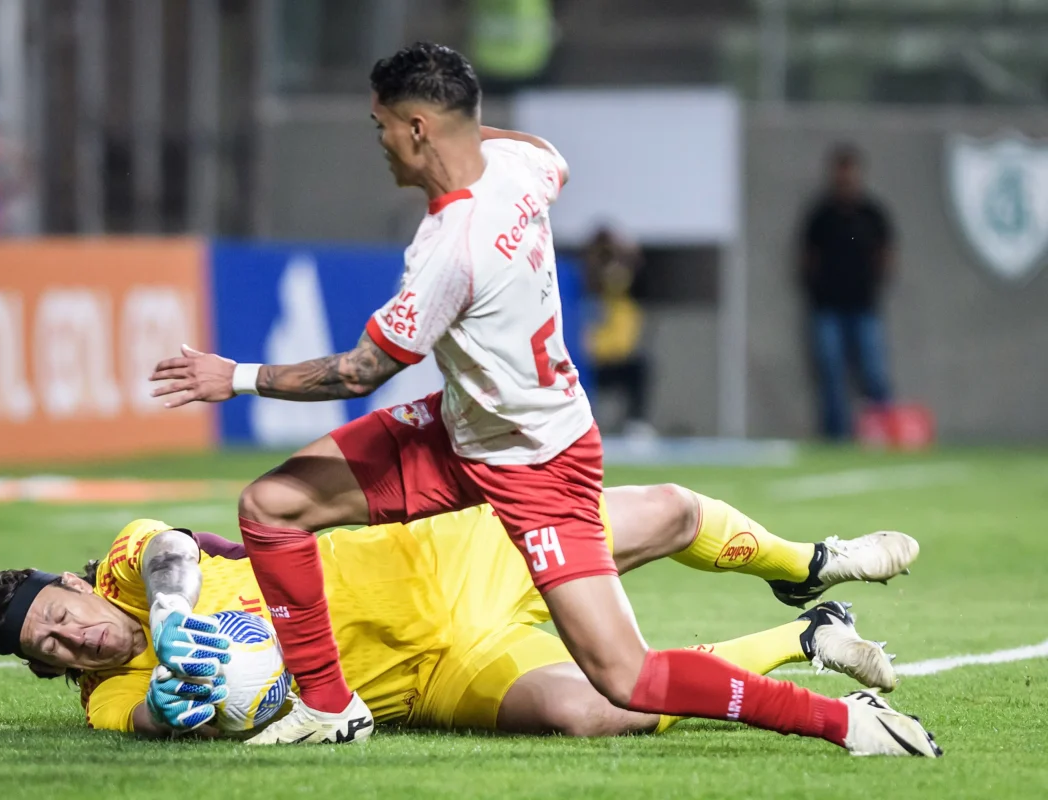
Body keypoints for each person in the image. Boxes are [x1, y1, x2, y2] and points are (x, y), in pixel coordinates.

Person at [147, 43, 930, 755]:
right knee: (272, 505)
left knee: (624, 679)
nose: (378, 139)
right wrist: (472, 133)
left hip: (536, 465)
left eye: (381, 125)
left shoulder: (448, 249)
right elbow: (547, 157)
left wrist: (237, 377)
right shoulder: (520, 170)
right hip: (465, 429)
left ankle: (846, 722)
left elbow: (357, 374)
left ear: (419, 128)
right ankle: (329, 705)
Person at [0, 484, 920, 745]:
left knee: (669, 514)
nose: (73, 637)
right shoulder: (108, 698)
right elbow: (142, 718)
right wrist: (176, 713)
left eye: (61, 610)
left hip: (445, 554)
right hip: (431, 677)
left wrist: (178, 620)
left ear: (80, 581)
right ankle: (807, 635)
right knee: (600, 710)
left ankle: (807, 565)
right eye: (51, 650)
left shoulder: (137, 567)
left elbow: (176, 548)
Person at [799, 144, 897, 441]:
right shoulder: (822, 215)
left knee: (874, 373)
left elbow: (886, 253)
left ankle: (884, 432)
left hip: (864, 305)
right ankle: (836, 437)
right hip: (828, 306)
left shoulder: (872, 213)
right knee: (831, 374)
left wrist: (876, 282)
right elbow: (808, 257)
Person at [582, 227, 655, 438]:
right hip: (589, 359)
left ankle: (636, 423)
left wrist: (627, 253)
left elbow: (640, 276)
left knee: (641, 368)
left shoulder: (627, 288)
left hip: (620, 357)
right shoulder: (586, 286)